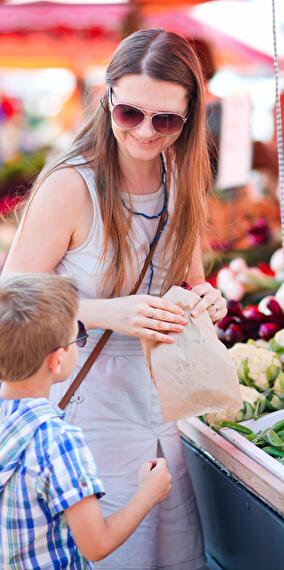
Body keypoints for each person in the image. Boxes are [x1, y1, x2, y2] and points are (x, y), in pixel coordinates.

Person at [3, 28, 227, 569]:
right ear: (107, 100)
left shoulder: (181, 180)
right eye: (130, 113)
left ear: (189, 117)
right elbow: (12, 297)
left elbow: (190, 280)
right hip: (86, 403)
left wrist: (206, 300)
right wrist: (108, 313)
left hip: (164, 403)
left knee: (171, 552)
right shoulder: (70, 186)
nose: (146, 132)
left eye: (166, 120)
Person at [0, 272, 172, 569]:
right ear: (56, 360)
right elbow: (97, 545)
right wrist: (148, 494)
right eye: (75, 338)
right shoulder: (59, 441)